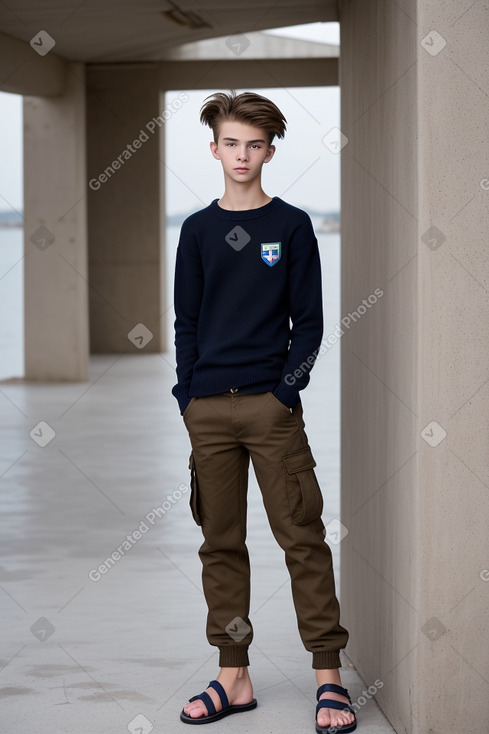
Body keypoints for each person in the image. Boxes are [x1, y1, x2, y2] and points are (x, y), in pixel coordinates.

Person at [172, 90, 357, 733]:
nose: (242, 155)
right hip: (209, 412)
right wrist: (186, 396)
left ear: (270, 150)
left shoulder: (292, 226)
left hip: (271, 411)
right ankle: (235, 675)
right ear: (215, 148)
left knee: (302, 538)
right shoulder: (197, 231)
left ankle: (328, 679)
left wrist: (285, 393)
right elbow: (186, 323)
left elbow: (309, 326)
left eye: (255, 144)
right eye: (231, 143)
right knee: (220, 544)